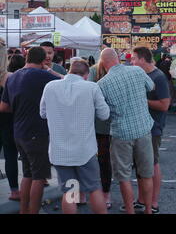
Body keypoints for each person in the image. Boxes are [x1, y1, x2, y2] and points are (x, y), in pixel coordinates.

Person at [40, 60, 110, 214]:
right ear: (86, 75)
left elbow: (43, 113)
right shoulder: (91, 87)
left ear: (69, 71)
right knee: (94, 189)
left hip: (60, 151)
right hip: (85, 150)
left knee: (70, 191)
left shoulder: (50, 87)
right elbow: (105, 115)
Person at [0, 47, 59, 214]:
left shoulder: (12, 77)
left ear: (27, 58)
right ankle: (33, 211)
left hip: (18, 131)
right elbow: (66, 80)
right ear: (42, 61)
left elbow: (4, 107)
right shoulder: (43, 76)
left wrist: (20, 105)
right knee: (39, 176)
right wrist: (49, 70)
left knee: (27, 174)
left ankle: (24, 211)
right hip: (37, 132)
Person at [97, 48, 155, 214]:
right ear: (118, 58)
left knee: (124, 177)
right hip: (143, 128)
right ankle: (148, 210)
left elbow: (103, 113)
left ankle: (130, 211)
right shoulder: (136, 70)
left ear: (102, 63)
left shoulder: (102, 84)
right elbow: (151, 86)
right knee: (146, 174)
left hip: (121, 133)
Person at [130, 47, 170, 214]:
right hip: (140, 127)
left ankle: (153, 202)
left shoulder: (158, 77)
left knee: (152, 164)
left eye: (133, 59)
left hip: (153, 128)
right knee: (140, 166)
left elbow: (164, 105)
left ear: (142, 59)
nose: (131, 62)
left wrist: (142, 100)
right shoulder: (143, 75)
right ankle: (141, 199)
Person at [88, 60, 112, 209]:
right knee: (98, 161)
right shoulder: (92, 71)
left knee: (103, 161)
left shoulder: (93, 72)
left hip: (100, 125)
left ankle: (104, 194)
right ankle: (102, 195)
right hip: (93, 124)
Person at [0, 43, 21, 201]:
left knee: (11, 155)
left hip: (7, 122)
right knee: (10, 155)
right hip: (8, 122)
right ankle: (14, 191)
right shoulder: (10, 78)